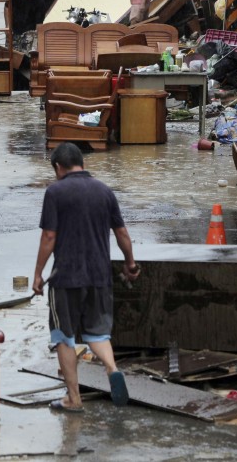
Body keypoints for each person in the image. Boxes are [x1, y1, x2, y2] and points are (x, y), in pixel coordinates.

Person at [32, 142, 141, 413]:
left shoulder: (55, 192)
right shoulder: (104, 191)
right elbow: (122, 234)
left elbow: (49, 236)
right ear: (82, 162)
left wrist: (37, 274)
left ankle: (73, 398)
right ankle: (112, 368)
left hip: (66, 277)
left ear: (58, 167)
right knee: (97, 333)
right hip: (100, 275)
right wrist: (130, 263)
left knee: (63, 336)